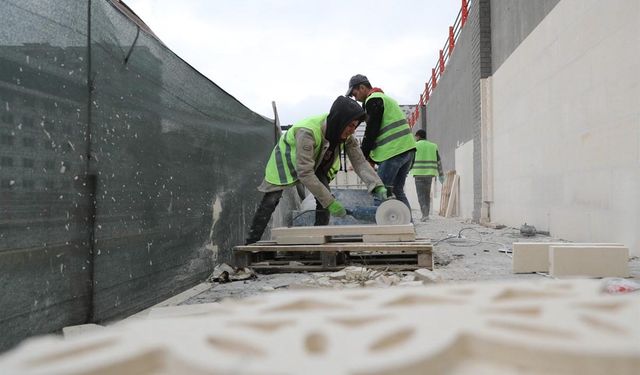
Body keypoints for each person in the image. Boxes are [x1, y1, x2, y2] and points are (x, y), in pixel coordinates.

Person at [245, 96, 387, 245]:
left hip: (316, 162)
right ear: (340, 120)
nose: (353, 130)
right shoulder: (307, 132)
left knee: (324, 199)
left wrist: (377, 186)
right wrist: (331, 202)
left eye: (355, 126)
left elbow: (360, 163)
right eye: (350, 125)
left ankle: (318, 241)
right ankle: (250, 243)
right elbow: (305, 172)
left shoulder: (347, 135)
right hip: (288, 160)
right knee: (271, 199)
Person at [346, 74, 416, 210]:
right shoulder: (387, 99)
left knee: (379, 191)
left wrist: (363, 157)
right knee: (397, 191)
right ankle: (406, 225)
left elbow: (371, 132)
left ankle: (379, 228)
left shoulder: (374, 100)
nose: (356, 98)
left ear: (361, 87)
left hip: (393, 153)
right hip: (407, 151)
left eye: (355, 94)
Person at [410, 129, 444, 221]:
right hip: (429, 175)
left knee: (421, 196)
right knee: (427, 194)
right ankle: (426, 214)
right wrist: (441, 174)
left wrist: (407, 170)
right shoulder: (433, 146)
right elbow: (438, 161)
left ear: (418, 136)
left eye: (415, 136)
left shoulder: (414, 145)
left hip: (418, 175)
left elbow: (410, 160)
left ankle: (424, 215)